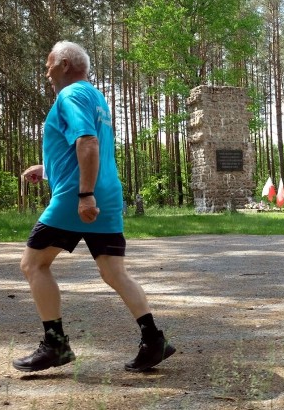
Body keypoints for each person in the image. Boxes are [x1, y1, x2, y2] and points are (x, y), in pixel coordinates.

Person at [14, 41, 175, 373]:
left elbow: (87, 142)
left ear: (64, 65)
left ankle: (55, 344)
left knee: (33, 265)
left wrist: (83, 194)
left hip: (77, 198)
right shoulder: (95, 97)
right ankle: (153, 339)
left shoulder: (70, 96)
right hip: (108, 194)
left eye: (48, 65)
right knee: (114, 273)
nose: (46, 72)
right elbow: (83, 148)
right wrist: (48, 170)